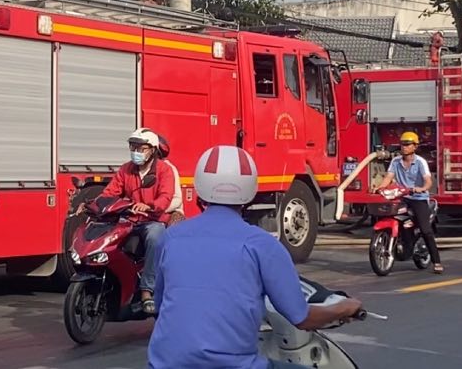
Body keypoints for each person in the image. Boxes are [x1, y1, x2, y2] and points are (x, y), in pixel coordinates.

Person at [148, 145, 362, 369]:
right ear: (249, 191)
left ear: (200, 187)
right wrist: (346, 308)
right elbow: (302, 318)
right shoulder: (262, 245)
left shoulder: (171, 238)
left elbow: (162, 305)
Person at [98, 128, 175, 314]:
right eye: (133, 147)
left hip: (152, 220)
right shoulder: (126, 169)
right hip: (129, 220)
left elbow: (165, 197)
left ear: (153, 150)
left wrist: (148, 205)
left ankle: (146, 290)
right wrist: (93, 205)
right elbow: (110, 192)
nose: (137, 152)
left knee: (155, 237)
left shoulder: (165, 170)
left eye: (142, 148)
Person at [374, 131, 443, 273]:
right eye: (402, 144)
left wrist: (421, 188)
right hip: (402, 197)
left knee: (425, 230)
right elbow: (388, 177)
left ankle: (436, 261)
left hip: (418, 198)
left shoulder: (420, 162)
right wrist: (380, 187)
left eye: (407, 144)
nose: (404, 147)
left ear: (415, 146)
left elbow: (428, 181)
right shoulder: (395, 161)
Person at [154, 133, 186, 225]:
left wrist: (155, 210)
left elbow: (177, 200)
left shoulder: (169, 169)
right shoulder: (137, 169)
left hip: (170, 212)